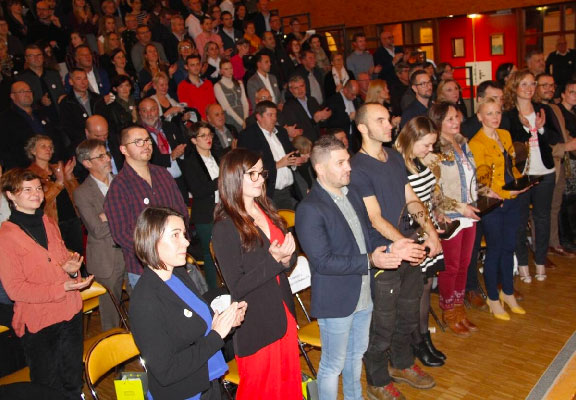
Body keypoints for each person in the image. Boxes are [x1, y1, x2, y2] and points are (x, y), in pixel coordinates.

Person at [296, 135, 403, 400]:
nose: (349, 167)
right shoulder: (309, 209)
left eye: (347, 160)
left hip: (363, 293)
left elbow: (366, 235)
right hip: (337, 299)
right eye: (341, 163)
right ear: (320, 169)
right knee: (333, 365)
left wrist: (392, 246)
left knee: (356, 357)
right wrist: (370, 260)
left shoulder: (351, 193)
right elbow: (323, 261)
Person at [351, 103, 440, 398]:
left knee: (408, 313)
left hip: (407, 245)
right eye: (381, 120)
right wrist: (403, 244)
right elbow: (375, 217)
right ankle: (377, 380)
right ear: (363, 128)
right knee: (383, 322)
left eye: (388, 119)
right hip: (384, 254)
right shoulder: (358, 167)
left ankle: (402, 363)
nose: (389, 125)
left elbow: (410, 198)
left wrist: (430, 232)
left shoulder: (394, 157)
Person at [212, 148, 301, 400]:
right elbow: (237, 286)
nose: (260, 179)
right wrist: (274, 261)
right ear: (233, 177)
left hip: (283, 313)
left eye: (261, 173)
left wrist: (287, 259)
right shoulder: (225, 226)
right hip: (258, 322)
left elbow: (288, 257)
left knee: (289, 389)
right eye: (252, 174)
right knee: (262, 392)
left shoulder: (265, 207)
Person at [129, 206, 246, 399]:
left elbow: (202, 323)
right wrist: (217, 336)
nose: (186, 242)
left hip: (208, 380)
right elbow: (166, 371)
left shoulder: (178, 274)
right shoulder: (145, 302)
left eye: (184, 234)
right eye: (175, 235)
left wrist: (228, 322)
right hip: (185, 393)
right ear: (151, 240)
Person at [0, 168, 94, 399]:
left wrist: (72, 272)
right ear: (10, 195)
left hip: (69, 311)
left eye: (38, 188)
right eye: (27, 190)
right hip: (39, 321)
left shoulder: (48, 221)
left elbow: (61, 262)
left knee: (73, 380)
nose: (36, 194)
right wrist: (61, 287)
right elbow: (15, 289)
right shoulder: (6, 237)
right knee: (48, 388)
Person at [104, 126, 189, 288]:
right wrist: (157, 251)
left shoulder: (163, 174)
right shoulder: (119, 186)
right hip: (144, 269)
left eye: (147, 140)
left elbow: (181, 212)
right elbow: (121, 234)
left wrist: (180, 242)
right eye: (138, 142)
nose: (146, 145)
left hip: (176, 262)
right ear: (123, 149)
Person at [393, 116, 447, 367]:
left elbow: (427, 195)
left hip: (426, 227)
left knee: (426, 287)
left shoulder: (416, 160)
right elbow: (402, 206)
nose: (430, 149)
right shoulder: (396, 164)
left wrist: (437, 213)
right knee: (416, 292)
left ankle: (424, 338)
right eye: (426, 144)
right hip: (412, 232)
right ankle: (417, 341)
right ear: (411, 138)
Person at [469, 97, 528, 320]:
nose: (495, 117)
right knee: (494, 250)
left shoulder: (504, 134)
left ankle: (508, 293)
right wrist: (503, 193)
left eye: (498, 112)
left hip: (512, 199)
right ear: (479, 116)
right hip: (493, 203)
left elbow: (511, 167)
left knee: (509, 247)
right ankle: (493, 298)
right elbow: (481, 179)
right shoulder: (476, 143)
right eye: (489, 113)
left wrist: (522, 182)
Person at [428, 103, 482, 334]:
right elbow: (433, 192)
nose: (455, 121)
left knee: (464, 264)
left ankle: (459, 308)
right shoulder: (433, 151)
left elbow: (471, 179)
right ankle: (448, 310)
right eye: (449, 119)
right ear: (438, 122)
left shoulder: (463, 143)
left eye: (456, 117)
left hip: (469, 211)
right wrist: (460, 207)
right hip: (450, 215)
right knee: (450, 267)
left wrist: (484, 192)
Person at [503, 69, 558, 283]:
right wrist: (526, 130)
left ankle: (541, 261)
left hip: (545, 171)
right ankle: (523, 264)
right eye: (524, 84)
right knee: (520, 220)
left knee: (542, 219)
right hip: (522, 174)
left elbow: (554, 138)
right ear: (515, 86)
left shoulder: (544, 109)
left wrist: (540, 129)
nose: (529, 88)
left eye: (532, 83)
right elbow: (508, 145)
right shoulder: (508, 114)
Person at [74, 139, 126, 331]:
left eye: (107, 154)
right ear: (87, 163)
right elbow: (97, 229)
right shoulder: (82, 193)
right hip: (106, 257)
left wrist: (107, 215)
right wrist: (121, 213)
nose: (107, 159)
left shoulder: (123, 182)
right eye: (101, 156)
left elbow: (139, 213)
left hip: (132, 251)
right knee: (111, 316)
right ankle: (113, 348)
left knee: (144, 302)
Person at [25, 135, 84, 254]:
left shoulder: (57, 168)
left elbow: (77, 194)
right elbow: (40, 201)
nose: (48, 149)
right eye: (43, 146)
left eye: (50, 147)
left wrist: (69, 177)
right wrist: (59, 183)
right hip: (53, 223)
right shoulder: (29, 174)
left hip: (73, 219)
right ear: (33, 151)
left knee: (78, 255)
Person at [238, 101, 301, 209]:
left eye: (275, 115)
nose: (274, 118)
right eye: (270, 115)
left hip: (289, 190)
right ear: (259, 117)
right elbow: (247, 166)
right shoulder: (248, 135)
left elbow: (290, 153)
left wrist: (296, 160)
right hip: (268, 193)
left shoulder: (281, 132)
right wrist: (277, 164)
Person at [182, 122, 221, 289]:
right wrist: (220, 180)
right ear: (194, 140)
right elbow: (198, 191)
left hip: (224, 209)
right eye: (203, 136)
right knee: (209, 253)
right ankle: (213, 291)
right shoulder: (190, 162)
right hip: (205, 213)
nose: (208, 138)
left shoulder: (218, 156)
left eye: (209, 134)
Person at [214, 60, 249, 132]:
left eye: (231, 68)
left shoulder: (239, 83)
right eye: (226, 69)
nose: (230, 71)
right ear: (221, 71)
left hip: (243, 116)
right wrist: (242, 122)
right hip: (230, 119)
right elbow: (226, 108)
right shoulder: (217, 86)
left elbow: (245, 102)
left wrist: (246, 119)